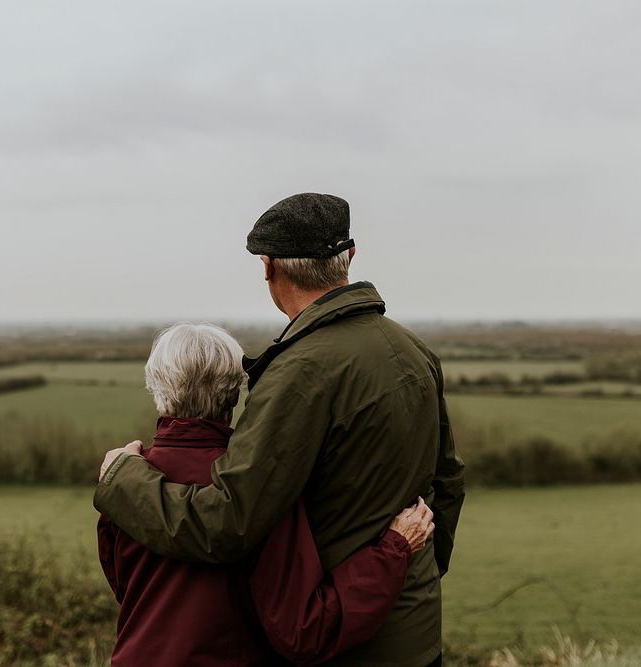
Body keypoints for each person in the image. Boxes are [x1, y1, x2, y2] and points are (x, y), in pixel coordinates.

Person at [96, 193, 465, 667]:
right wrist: (417, 575)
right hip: (410, 628)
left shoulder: (300, 371)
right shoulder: (414, 350)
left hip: (344, 645)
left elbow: (230, 521)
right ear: (348, 257)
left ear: (268, 268)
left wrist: (122, 477)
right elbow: (448, 483)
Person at [98, 322, 435, 666]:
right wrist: (394, 550)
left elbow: (129, 592)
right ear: (234, 392)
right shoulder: (259, 485)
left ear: (155, 386)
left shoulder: (124, 481)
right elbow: (304, 631)